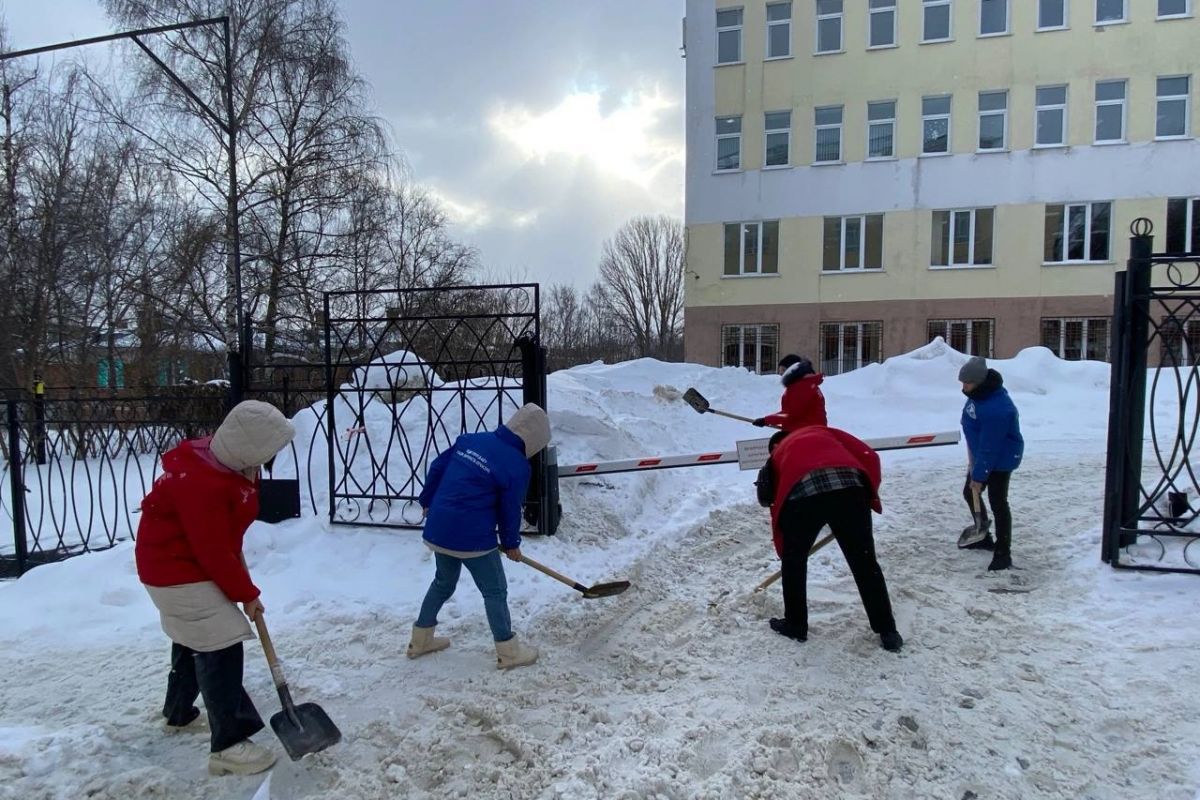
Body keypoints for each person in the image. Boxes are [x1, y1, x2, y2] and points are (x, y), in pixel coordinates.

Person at [135, 400, 296, 776]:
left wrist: (238, 575)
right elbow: (211, 550)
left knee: (195, 637)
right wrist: (246, 593)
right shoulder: (203, 483)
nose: (272, 457)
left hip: (177, 563)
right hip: (176, 570)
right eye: (268, 449)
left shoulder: (222, 460)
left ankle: (178, 713)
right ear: (249, 446)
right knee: (221, 642)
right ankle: (228, 745)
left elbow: (222, 538)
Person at [409, 403, 552, 669]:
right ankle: (509, 652)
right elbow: (509, 509)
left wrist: (427, 500)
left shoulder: (471, 440)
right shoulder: (517, 465)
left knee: (443, 582)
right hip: (472, 538)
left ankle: (420, 640)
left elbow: (437, 467)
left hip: (440, 527)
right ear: (534, 440)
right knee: (495, 590)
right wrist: (511, 544)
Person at [764, 424, 903, 652]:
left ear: (775, 446)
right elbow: (867, 455)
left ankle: (795, 625)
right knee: (864, 562)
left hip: (804, 497)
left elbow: (775, 502)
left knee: (795, 562)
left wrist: (787, 548)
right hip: (850, 489)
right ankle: (888, 631)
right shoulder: (822, 432)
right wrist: (869, 495)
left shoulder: (778, 455)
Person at [957, 356, 1024, 571]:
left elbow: (991, 446)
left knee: (998, 502)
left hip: (1000, 459)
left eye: (967, 383)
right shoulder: (979, 394)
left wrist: (979, 476)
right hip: (982, 455)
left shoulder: (998, 409)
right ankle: (983, 535)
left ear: (979, 381)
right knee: (970, 493)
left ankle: (1003, 554)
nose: (963, 387)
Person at [753, 355, 828, 431]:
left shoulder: (801, 387)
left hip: (806, 433)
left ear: (792, 369)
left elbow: (790, 414)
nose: (781, 374)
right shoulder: (806, 384)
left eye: (783, 370)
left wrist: (765, 420)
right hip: (809, 431)